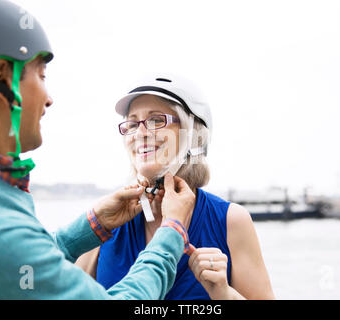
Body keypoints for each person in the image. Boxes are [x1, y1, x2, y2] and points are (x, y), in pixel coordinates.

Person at [0, 0, 196, 299]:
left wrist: (92, 225)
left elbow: (16, 271)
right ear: (3, 75)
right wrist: (170, 232)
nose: (49, 98)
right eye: (41, 76)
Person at [75, 74, 275, 299]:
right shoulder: (103, 223)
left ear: (194, 135)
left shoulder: (231, 220)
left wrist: (225, 293)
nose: (140, 133)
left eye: (156, 120)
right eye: (131, 124)